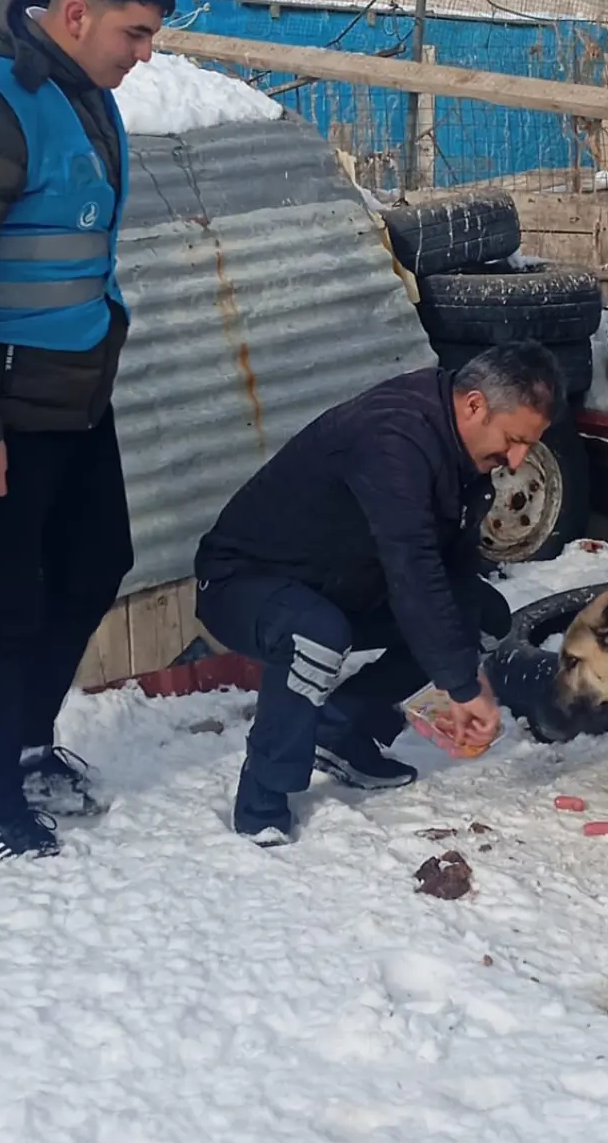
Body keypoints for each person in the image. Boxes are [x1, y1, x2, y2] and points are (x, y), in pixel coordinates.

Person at [0, 0, 175, 860]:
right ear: (75, 14)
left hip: (75, 399)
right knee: (2, 600)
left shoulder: (86, 93)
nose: (143, 56)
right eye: (133, 34)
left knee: (96, 561)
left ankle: (25, 740)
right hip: (6, 412)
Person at [195, 343, 564, 844]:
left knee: (482, 616)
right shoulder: (394, 437)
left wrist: (461, 664)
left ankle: (342, 727)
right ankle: (263, 798)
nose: (517, 459)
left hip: (342, 583)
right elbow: (411, 567)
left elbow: (448, 571)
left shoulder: (464, 452)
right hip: (244, 583)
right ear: (474, 404)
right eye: (515, 439)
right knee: (317, 634)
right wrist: (460, 685)